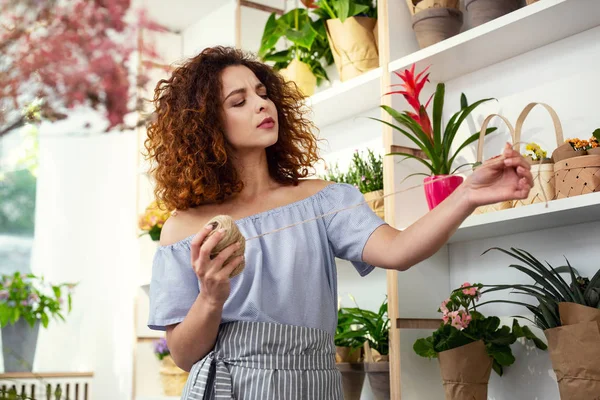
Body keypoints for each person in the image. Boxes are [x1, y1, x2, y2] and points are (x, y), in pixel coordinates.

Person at [144, 46, 533, 400]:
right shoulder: (183, 230)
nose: (262, 106)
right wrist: (211, 297)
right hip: (226, 388)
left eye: (263, 94)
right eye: (239, 101)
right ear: (206, 123)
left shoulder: (325, 199)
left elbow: (399, 251)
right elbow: (183, 355)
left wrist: (467, 194)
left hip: (313, 383)